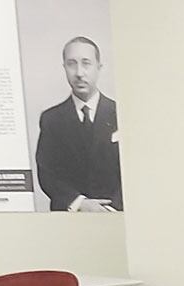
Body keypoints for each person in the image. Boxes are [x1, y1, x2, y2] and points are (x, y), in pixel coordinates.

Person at [36, 36, 122, 212]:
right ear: (64, 68)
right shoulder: (51, 119)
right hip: (70, 218)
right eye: (71, 63)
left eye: (86, 63)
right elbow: (47, 174)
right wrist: (80, 203)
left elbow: (136, 169)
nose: (79, 73)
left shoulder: (121, 114)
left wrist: (111, 209)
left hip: (117, 216)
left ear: (99, 67)